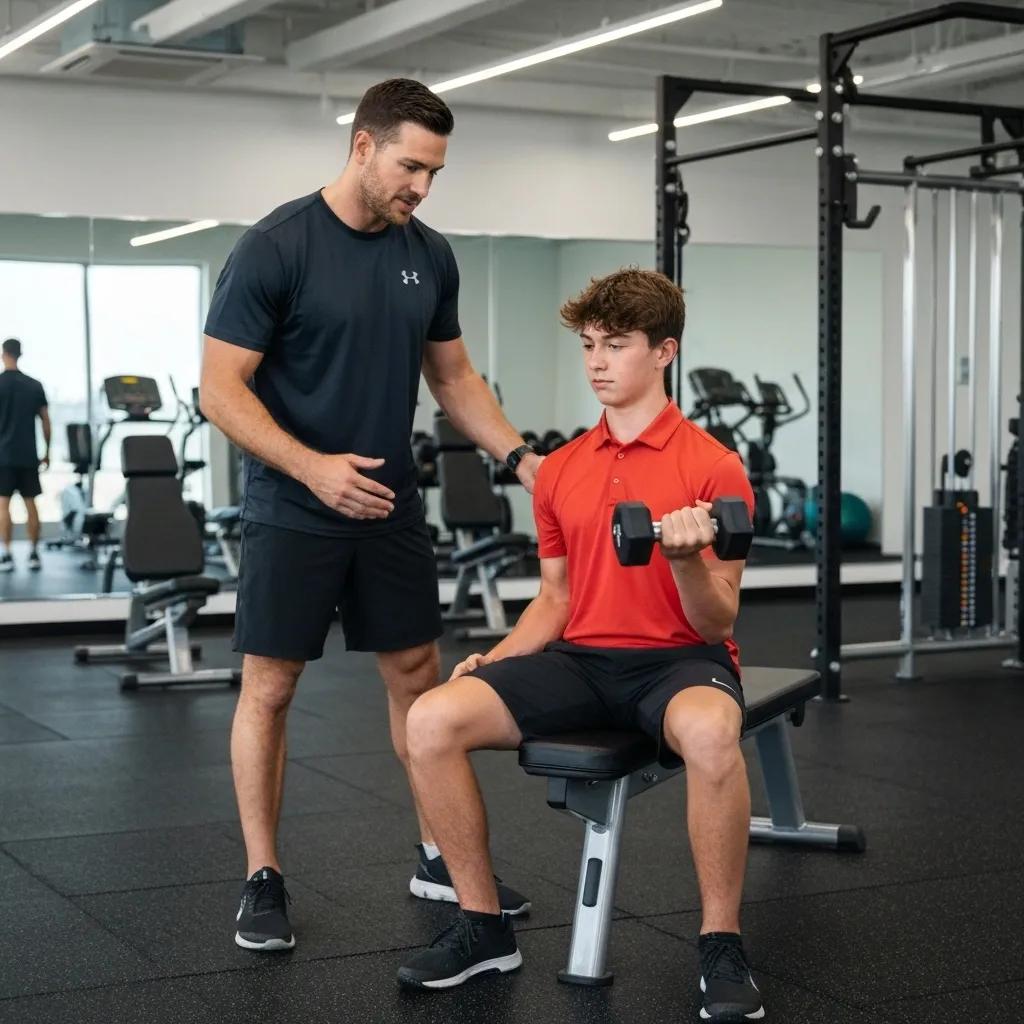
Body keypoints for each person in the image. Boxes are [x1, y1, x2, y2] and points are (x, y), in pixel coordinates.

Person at [200, 78, 540, 953]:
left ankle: (436, 854)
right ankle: (263, 877)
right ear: (363, 145)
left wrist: (524, 459)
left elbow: (455, 380)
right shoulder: (276, 247)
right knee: (270, 689)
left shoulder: (429, 254)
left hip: (389, 506)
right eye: (411, 166)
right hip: (292, 504)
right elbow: (218, 391)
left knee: (418, 678)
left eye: (435, 172)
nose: (422, 187)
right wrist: (313, 468)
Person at [399, 269, 763, 1022]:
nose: (597, 361)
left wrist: (687, 555)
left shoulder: (713, 466)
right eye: (589, 345)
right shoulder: (558, 471)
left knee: (712, 734)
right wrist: (499, 658)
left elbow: (716, 624)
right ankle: (483, 924)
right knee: (431, 719)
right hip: (581, 661)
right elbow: (556, 599)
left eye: (617, 344)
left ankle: (720, 943)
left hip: (677, 661)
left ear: (664, 352)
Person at [0, 338, 51, 573]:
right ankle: (33, 553)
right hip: (28, 455)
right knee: (31, 504)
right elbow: (46, 421)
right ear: (20, 354)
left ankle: (7, 554)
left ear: (4, 354)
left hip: (4, 457)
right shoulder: (34, 385)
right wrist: (47, 452)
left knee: (3, 506)